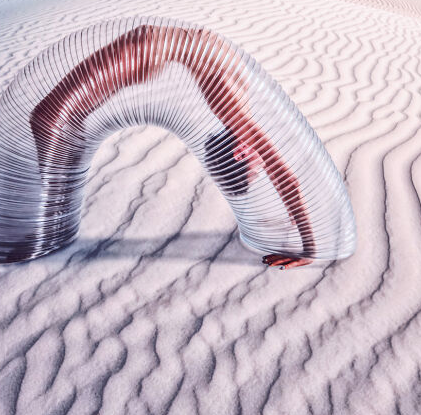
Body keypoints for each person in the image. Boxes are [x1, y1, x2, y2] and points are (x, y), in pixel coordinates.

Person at [30, 23, 315, 268]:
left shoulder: (236, 108)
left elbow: (283, 177)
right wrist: (311, 249)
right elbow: (287, 178)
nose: (263, 165)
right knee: (46, 117)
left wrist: (294, 215)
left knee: (54, 118)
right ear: (240, 153)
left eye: (256, 170)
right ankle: (54, 206)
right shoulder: (234, 110)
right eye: (258, 169)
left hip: (148, 49)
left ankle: (55, 198)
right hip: (145, 50)